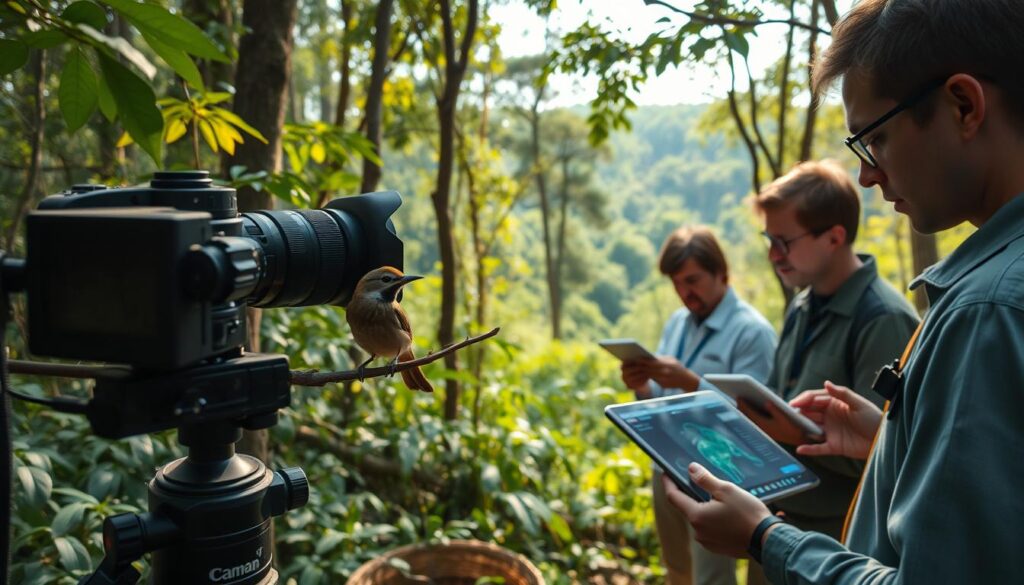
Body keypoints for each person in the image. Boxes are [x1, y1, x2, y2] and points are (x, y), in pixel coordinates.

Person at [662, 1, 1024, 583]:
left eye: (876, 138)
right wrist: (892, 439)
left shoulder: (985, 310)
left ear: (964, 105)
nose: (868, 174)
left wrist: (764, 538)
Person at [743, 160, 918, 546]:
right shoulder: (801, 305)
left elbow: (894, 454)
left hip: (841, 540)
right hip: (779, 524)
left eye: (783, 242)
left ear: (835, 238)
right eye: (768, 240)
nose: (773, 255)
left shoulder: (883, 319)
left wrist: (792, 432)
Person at [620, 225, 775, 585]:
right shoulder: (678, 323)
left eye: (692, 280)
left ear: (721, 272)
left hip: (719, 478)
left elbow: (759, 418)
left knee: (711, 577)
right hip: (665, 468)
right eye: (677, 284)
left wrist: (690, 381)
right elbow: (660, 401)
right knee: (678, 568)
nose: (684, 293)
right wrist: (642, 386)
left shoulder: (752, 331)